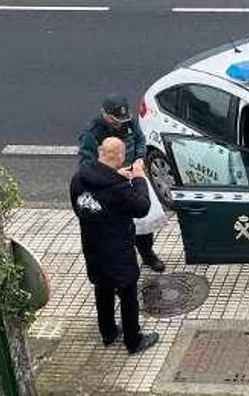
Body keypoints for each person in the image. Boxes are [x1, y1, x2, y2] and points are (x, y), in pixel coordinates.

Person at [70, 137, 160, 354]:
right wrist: (138, 178)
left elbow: (77, 206)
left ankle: (108, 332)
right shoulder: (117, 189)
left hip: (92, 245)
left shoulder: (80, 177)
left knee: (102, 288)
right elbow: (141, 207)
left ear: (100, 152)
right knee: (128, 293)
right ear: (120, 157)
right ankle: (133, 340)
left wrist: (117, 177)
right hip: (117, 250)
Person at [78, 93, 166, 272]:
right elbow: (86, 166)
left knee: (143, 219)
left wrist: (139, 159)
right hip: (110, 185)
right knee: (121, 228)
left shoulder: (129, 123)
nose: (120, 123)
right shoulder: (92, 134)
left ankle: (147, 253)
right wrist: (113, 172)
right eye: (115, 120)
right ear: (106, 115)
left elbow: (140, 140)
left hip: (134, 177)